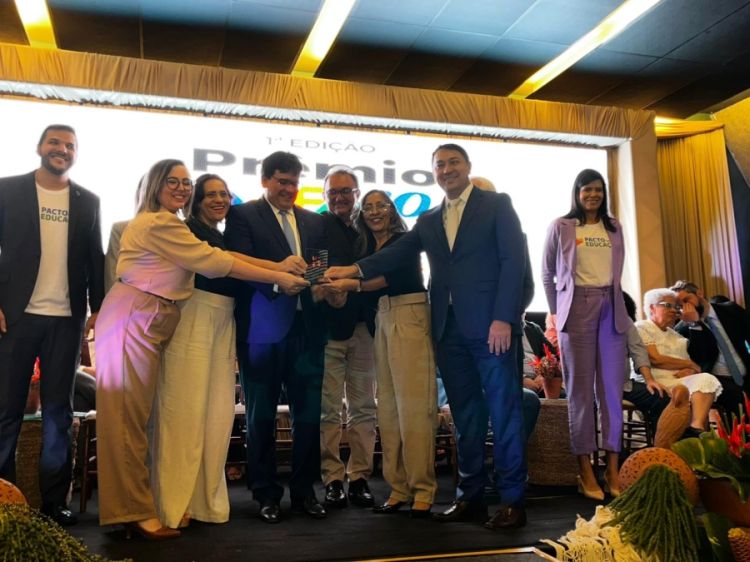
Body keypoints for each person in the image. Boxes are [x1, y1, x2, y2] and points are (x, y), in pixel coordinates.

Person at [95, 159, 308, 539]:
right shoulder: (158, 223)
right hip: (136, 314)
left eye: (185, 182)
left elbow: (222, 256)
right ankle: (134, 513)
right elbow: (215, 262)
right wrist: (277, 276)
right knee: (127, 421)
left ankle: (127, 511)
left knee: (132, 419)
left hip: (149, 315)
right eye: (172, 181)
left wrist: (277, 267)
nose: (181, 188)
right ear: (155, 184)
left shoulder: (167, 223)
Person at [327, 144, 527, 530]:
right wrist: (352, 269)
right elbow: (396, 252)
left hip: (492, 330)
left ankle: (513, 501)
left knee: (504, 414)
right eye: (440, 165)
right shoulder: (430, 218)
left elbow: (513, 261)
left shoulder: (496, 204)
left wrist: (504, 317)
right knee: (465, 418)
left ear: (467, 166)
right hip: (447, 330)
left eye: (454, 162)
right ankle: (470, 497)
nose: (447, 170)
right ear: (433, 172)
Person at [152, 173, 305, 529]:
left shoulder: (218, 232)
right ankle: (175, 503)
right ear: (196, 200)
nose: (219, 200)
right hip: (194, 319)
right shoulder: (187, 230)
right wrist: (279, 271)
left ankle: (203, 501)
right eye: (211, 195)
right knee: (186, 414)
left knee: (216, 416)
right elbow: (227, 260)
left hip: (223, 322)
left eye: (224, 194)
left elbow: (232, 258)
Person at [0, 124, 104, 526]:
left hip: (66, 320)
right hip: (16, 317)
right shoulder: (8, 190)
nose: (62, 149)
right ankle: (5, 500)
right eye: (55, 142)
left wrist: (99, 308)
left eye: (70, 145)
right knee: (6, 411)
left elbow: (94, 258)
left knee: (59, 414)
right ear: (40, 147)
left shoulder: (88, 201)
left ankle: (54, 502)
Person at [224, 151, 329, 524]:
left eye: (295, 182)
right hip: (262, 331)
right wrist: (276, 282)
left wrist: (321, 284)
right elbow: (238, 263)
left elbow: (318, 268)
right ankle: (266, 494)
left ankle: (304, 492)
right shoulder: (243, 215)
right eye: (282, 181)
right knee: (261, 417)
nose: (289, 189)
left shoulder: (314, 221)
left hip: (308, 330)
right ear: (265, 180)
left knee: (309, 417)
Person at [325, 189, 437, 518]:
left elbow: (386, 275)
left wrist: (351, 281)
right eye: (368, 207)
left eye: (381, 206)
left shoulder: (404, 240)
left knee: (414, 410)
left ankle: (423, 489)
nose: (374, 212)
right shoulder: (365, 246)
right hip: (382, 320)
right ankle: (398, 487)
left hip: (410, 315)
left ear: (392, 210)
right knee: (387, 410)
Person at [542, 168, 628, 500]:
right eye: (586, 189)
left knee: (611, 391)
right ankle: (585, 470)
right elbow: (547, 273)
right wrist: (557, 311)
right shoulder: (562, 226)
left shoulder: (614, 227)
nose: (593, 195)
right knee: (579, 392)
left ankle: (613, 468)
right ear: (577, 193)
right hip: (576, 306)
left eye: (598, 189)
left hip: (610, 308)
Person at [318, 167, 376, 509]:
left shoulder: (370, 225)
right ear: (325, 195)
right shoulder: (316, 225)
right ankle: (332, 479)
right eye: (333, 192)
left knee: (364, 407)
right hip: (328, 329)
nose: (339, 197)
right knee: (327, 410)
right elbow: (315, 273)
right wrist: (330, 290)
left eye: (346, 191)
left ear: (357, 193)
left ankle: (360, 477)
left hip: (365, 329)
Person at [635, 288, 722, 434]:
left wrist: (691, 369)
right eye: (667, 305)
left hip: (677, 380)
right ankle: (688, 432)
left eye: (675, 307)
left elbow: (692, 365)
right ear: (652, 308)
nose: (674, 310)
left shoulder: (675, 334)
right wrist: (690, 364)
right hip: (655, 379)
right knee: (688, 388)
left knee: (707, 379)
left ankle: (697, 427)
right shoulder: (642, 327)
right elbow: (655, 359)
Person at [671, 280, 748, 415]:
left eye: (687, 300)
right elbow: (701, 357)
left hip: (745, 370)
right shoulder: (682, 330)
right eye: (680, 305)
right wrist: (694, 325)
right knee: (737, 400)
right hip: (715, 379)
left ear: (699, 294)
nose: (685, 307)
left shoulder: (730, 310)